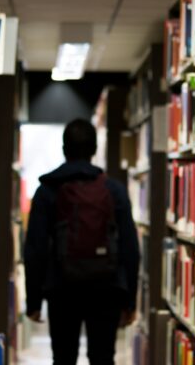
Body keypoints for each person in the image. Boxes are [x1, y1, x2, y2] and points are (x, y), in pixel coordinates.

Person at [24, 118, 141, 365]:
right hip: (106, 288)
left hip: (61, 288)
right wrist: (129, 300)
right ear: (94, 149)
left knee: (64, 358)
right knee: (102, 358)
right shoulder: (114, 190)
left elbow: (35, 248)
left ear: (64, 149)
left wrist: (34, 300)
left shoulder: (47, 190)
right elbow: (130, 247)